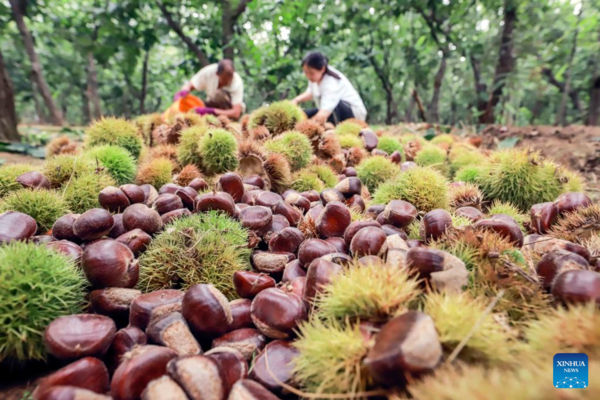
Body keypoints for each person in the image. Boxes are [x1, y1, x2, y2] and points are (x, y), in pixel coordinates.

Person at [291, 51, 367, 125]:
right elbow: (311, 93)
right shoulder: (315, 78)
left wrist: (308, 126)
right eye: (306, 72)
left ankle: (334, 128)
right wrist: (295, 100)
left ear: (322, 69)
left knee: (333, 108)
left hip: (353, 114)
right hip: (328, 109)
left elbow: (325, 111)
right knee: (306, 113)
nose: (308, 76)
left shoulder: (331, 82)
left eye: (311, 73)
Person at [174, 59, 245, 120]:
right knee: (196, 108)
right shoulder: (209, 72)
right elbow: (190, 85)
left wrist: (212, 111)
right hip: (212, 105)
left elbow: (236, 113)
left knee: (219, 95)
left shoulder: (237, 82)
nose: (229, 82)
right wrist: (183, 91)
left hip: (229, 111)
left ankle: (225, 121)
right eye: (225, 80)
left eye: (231, 79)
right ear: (217, 74)